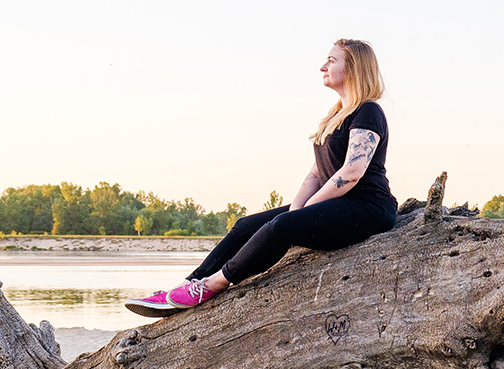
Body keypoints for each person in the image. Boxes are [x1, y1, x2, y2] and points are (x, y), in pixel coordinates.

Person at [127, 38, 395, 316]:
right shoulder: (336, 115)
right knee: (246, 225)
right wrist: (296, 209)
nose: (322, 67)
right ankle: (185, 285)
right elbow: (317, 170)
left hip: (368, 207)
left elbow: (352, 172)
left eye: (331, 60)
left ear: (353, 68)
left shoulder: (368, 110)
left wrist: (303, 212)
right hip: (338, 203)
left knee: (279, 228)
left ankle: (211, 285)